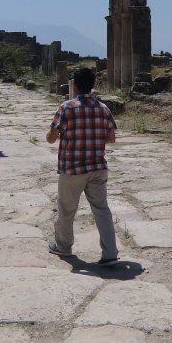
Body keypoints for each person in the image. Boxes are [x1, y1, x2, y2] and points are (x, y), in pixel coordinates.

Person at [46, 66, 119, 266]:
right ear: (93, 85)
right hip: (97, 167)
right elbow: (111, 138)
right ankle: (110, 252)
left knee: (67, 209)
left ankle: (64, 246)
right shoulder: (103, 108)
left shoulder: (66, 108)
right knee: (101, 209)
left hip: (73, 168)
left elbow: (51, 139)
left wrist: (58, 133)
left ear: (74, 85)